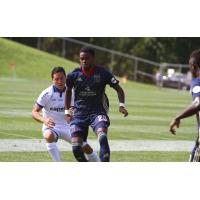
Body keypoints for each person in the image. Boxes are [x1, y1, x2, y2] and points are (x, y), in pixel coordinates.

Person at [64, 47, 128, 162]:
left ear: (93, 58)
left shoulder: (103, 73)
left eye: (87, 58)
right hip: (79, 114)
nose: (84, 61)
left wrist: (121, 105)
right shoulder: (73, 75)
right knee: (75, 148)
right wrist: (67, 111)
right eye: (81, 59)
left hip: (97, 112)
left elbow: (119, 89)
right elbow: (68, 91)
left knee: (102, 138)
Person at [32, 66, 99, 162]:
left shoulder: (72, 92)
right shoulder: (46, 94)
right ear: (52, 80)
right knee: (48, 136)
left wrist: (70, 114)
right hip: (52, 127)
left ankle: (97, 161)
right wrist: (44, 120)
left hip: (68, 126)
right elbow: (34, 112)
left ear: (65, 78)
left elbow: (73, 109)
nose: (59, 81)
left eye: (61, 78)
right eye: (56, 79)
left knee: (85, 147)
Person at [169, 49, 200, 162]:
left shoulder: (197, 81)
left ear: (193, 66)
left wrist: (177, 117)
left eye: (189, 65)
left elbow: (198, 103)